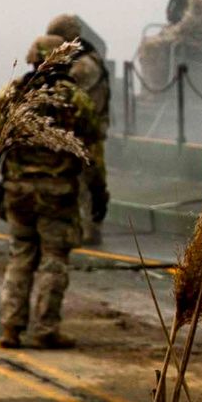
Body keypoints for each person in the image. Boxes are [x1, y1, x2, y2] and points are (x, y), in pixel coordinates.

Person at [0, 36, 96, 348]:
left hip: (18, 193)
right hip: (58, 194)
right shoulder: (76, 99)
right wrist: (99, 192)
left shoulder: (10, 95)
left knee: (21, 255)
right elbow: (92, 152)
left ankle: (11, 327)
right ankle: (45, 329)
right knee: (54, 258)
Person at [43, 13, 115, 252]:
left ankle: (91, 228)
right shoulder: (80, 58)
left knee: (88, 180)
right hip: (81, 130)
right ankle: (82, 227)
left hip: (87, 132)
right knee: (79, 180)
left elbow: (66, 96)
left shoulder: (83, 65)